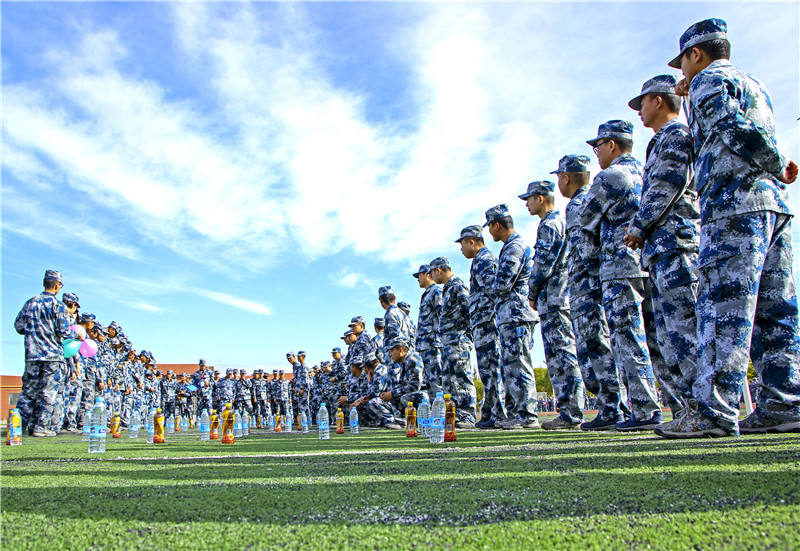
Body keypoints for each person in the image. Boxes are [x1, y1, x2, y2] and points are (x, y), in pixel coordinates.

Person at [657, 18, 800, 437]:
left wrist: (773, 159)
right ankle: (783, 402)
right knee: (776, 312)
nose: (682, 75)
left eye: (683, 64)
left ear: (695, 55)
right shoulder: (753, 83)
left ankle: (713, 412)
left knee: (724, 310)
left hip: (733, 208)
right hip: (772, 207)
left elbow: (729, 127)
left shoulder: (707, 81)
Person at [625, 74, 701, 412]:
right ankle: (690, 408)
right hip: (663, 249)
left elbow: (668, 185)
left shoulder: (675, 135)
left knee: (685, 330)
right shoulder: (660, 140)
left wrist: (639, 226)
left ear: (658, 100)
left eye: (642, 102)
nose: (639, 110)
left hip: (677, 245)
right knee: (671, 334)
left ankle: (703, 408)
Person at [582, 121, 662, 431]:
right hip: (649, 262)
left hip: (618, 267)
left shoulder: (611, 176)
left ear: (612, 145)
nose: (596, 153)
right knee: (655, 337)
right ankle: (676, 405)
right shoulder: (645, 171)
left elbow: (585, 225)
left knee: (627, 337)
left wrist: (589, 271)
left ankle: (643, 409)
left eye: (597, 146)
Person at [519, 181, 584, 429]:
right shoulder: (556, 222)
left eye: (530, 198)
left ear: (541, 198)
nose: (527, 203)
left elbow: (543, 265)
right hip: (556, 298)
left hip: (555, 298)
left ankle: (571, 413)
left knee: (562, 356)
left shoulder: (550, 224)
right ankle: (569, 411)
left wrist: (532, 292)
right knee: (559, 355)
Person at [485, 205, 540, 430]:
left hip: (516, 315)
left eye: (490, 226)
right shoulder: (509, 247)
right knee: (512, 366)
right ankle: (518, 412)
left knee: (519, 364)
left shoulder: (514, 247)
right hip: (510, 315)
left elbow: (502, 284)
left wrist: (487, 290)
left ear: (497, 225)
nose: (489, 231)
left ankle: (526, 415)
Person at [14, 270, 76, 436]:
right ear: (57, 286)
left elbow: (19, 326)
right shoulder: (58, 306)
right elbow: (65, 332)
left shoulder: (30, 303)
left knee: (28, 392)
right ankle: (41, 427)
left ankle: (18, 427)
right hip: (52, 357)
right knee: (48, 393)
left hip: (32, 356)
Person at [456, 225, 507, 428]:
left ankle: (499, 413)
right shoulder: (479, 261)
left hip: (488, 323)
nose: (461, 249)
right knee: (486, 370)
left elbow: (492, 292)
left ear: (472, 241)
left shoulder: (485, 260)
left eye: (462, 244)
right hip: (481, 323)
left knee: (493, 368)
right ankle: (491, 412)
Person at [429, 256, 477, 426]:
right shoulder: (448, 288)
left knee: (462, 378)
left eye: (431, 273)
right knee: (450, 381)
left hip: (457, 341)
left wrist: (466, 337)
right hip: (448, 343)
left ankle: (467, 415)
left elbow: (469, 311)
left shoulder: (457, 285)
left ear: (438, 270)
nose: (431, 277)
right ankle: (455, 415)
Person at [414, 264, 444, 396]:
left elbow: (441, 316)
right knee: (429, 383)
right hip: (425, 346)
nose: (417, 279)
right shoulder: (426, 294)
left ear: (427, 274)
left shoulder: (436, 291)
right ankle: (435, 413)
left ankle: (442, 414)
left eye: (419, 275)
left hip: (433, 344)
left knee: (437, 382)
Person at [383, 336, 430, 409]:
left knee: (404, 398)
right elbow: (402, 384)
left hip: (423, 395)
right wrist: (388, 394)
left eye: (392, 350)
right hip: (414, 393)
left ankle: (417, 419)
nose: (390, 354)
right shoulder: (404, 362)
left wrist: (392, 394)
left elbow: (414, 386)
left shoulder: (412, 360)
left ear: (400, 350)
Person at [379, 287, 414, 360]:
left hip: (395, 358)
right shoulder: (403, 314)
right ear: (394, 298)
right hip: (406, 354)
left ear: (381, 300)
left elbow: (395, 339)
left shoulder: (390, 314)